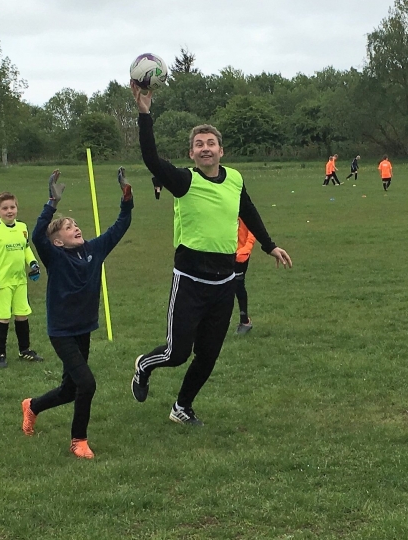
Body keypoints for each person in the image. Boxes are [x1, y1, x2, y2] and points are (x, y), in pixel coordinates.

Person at [129, 81, 292, 428]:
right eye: (199, 145)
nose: (205, 149)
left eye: (211, 143)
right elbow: (150, 159)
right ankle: (144, 365)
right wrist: (145, 114)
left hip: (224, 284)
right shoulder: (184, 181)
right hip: (189, 282)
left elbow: (247, 210)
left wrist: (269, 245)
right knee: (176, 354)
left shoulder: (234, 179)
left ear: (221, 150)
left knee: (208, 356)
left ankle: (182, 407)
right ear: (191, 154)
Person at [22, 168, 134, 459]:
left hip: (83, 328)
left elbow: (119, 227)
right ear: (58, 241)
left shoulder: (94, 250)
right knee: (87, 383)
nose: (76, 228)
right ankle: (78, 441)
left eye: (75, 224)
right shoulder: (55, 257)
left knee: (70, 390)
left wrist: (126, 199)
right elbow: (37, 235)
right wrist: (52, 203)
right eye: (68, 228)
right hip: (61, 332)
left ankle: (32, 406)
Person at [0, 192, 43, 368]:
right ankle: (0, 355)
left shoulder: (22, 227)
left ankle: (25, 350)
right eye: (5, 208)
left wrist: (33, 263)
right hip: (1, 283)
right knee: (3, 318)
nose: (9, 211)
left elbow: (26, 248)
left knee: (22, 315)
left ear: (17, 208)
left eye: (12, 207)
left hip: (20, 281)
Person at [234, 218, 256, 335]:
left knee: (238, 286)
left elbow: (252, 231)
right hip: (223, 252)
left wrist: (245, 250)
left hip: (240, 256)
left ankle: (245, 321)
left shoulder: (243, 206)